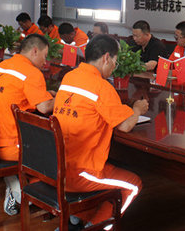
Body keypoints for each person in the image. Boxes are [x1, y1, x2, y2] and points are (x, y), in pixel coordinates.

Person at [53, 35, 148, 227]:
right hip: (81, 172)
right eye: (115, 61)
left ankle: (79, 215)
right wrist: (137, 109)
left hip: (55, 165)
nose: (114, 66)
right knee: (133, 185)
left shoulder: (69, 77)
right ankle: (98, 226)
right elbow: (125, 126)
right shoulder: (102, 87)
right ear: (106, 58)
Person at [0, 34, 55, 216]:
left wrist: (46, 94)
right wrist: (61, 97)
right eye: (45, 56)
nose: (45, 62)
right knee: (57, 150)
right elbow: (45, 107)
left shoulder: (2, 66)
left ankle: (15, 180)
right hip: (12, 148)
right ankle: (21, 190)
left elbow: (17, 93)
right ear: (35, 51)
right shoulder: (31, 73)